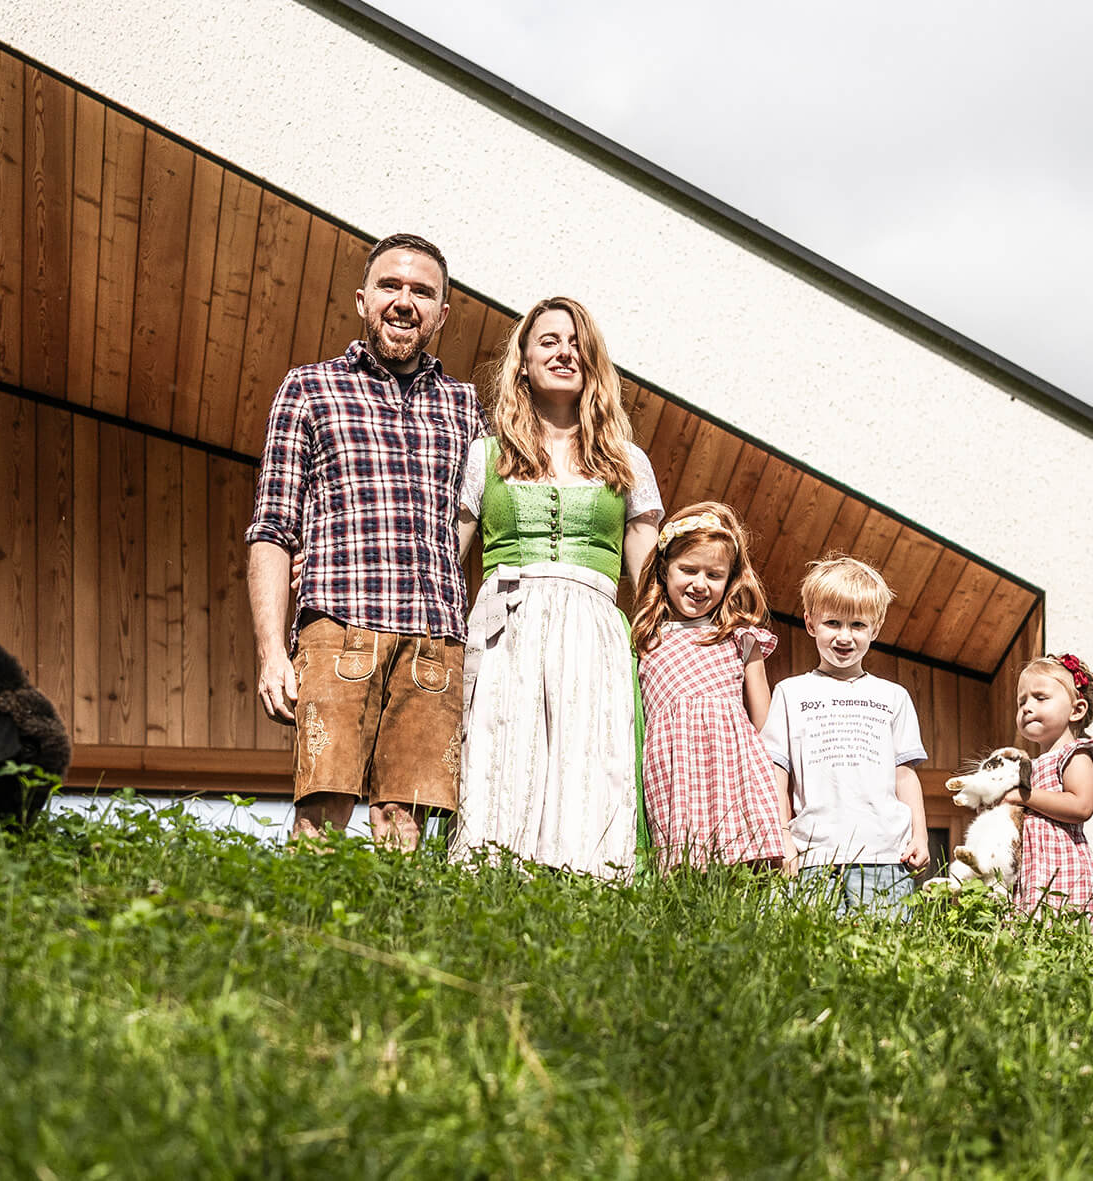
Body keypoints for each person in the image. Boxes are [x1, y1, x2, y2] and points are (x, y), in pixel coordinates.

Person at [245, 233, 482, 851]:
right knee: (319, 815)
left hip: (435, 639)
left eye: (422, 291)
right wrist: (273, 653)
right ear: (362, 299)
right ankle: (305, 942)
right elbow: (272, 528)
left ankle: (394, 946)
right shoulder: (308, 389)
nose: (405, 301)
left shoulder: (467, 407)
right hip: (337, 629)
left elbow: (477, 516)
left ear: (443, 313)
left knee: (405, 828)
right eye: (390, 286)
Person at [450, 296, 662, 878]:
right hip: (505, 626)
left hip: (593, 628)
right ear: (521, 361)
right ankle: (488, 893)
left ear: (593, 362)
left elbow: (649, 578)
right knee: (500, 760)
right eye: (548, 341)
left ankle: (585, 899)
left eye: (576, 343)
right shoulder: (485, 455)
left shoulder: (626, 460)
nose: (564, 352)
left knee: (588, 763)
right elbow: (447, 562)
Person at [761, 554, 929, 917]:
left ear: (876, 628)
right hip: (812, 855)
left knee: (886, 956)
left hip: (885, 855)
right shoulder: (790, 693)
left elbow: (905, 773)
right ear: (809, 623)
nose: (844, 636)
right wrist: (782, 836)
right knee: (813, 958)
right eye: (832, 623)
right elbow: (778, 772)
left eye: (857, 625)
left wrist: (921, 834)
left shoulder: (894, 697)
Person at [632, 502, 787, 869]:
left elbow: (765, 725)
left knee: (746, 875)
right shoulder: (645, 640)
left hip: (737, 770)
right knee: (685, 874)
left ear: (730, 580)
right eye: (688, 570)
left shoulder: (739, 637)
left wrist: (782, 806)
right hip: (676, 772)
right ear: (664, 570)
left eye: (714, 575)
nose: (700, 584)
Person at [1004, 653, 1093, 927]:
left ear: (1077, 710)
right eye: (1021, 701)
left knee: (1064, 931)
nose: (1027, 707)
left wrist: (1023, 795)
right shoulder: (1031, 764)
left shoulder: (1075, 754)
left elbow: (1081, 806)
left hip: (1062, 866)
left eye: (1040, 698)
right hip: (1032, 867)